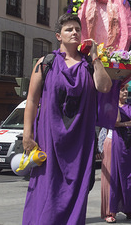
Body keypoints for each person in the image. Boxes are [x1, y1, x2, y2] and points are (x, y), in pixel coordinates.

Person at [22, 13, 112, 224]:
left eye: (77, 29)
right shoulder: (46, 63)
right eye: (69, 29)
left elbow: (105, 87)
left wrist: (96, 57)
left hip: (79, 143)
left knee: (75, 191)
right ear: (58, 36)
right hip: (48, 139)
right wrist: (28, 134)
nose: (74, 32)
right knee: (46, 188)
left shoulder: (89, 65)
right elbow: (32, 100)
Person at [101, 84, 131, 223]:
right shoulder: (110, 105)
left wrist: (125, 124)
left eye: (126, 90)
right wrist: (113, 100)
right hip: (114, 144)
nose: (126, 92)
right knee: (113, 178)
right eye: (122, 90)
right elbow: (116, 120)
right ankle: (110, 211)